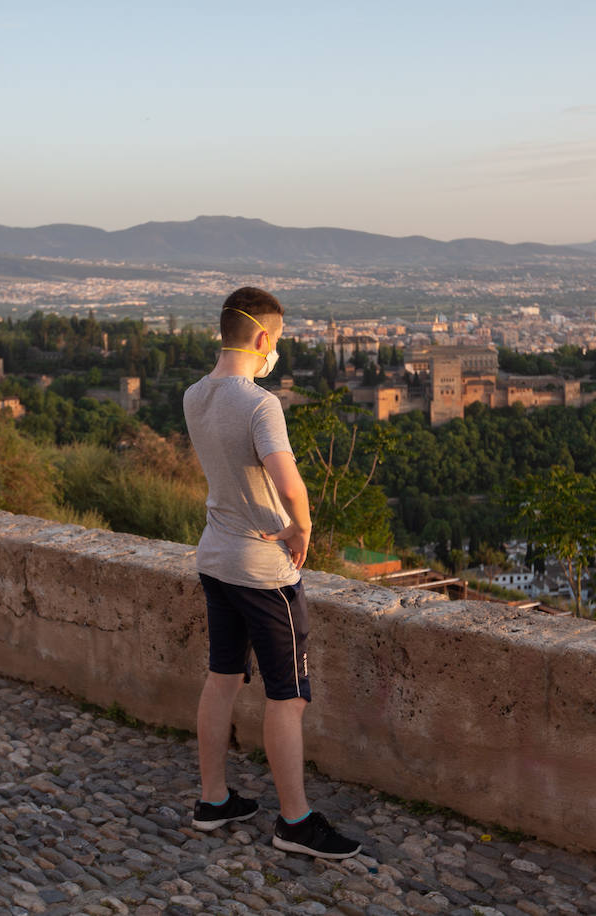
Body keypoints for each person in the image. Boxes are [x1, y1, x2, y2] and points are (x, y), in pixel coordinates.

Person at [182, 286, 361, 860]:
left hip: (215, 556)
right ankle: (295, 822)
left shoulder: (194, 396)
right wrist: (301, 529)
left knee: (222, 679)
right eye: (277, 340)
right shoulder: (261, 405)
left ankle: (213, 800)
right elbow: (290, 485)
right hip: (263, 571)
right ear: (263, 339)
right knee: (288, 696)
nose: (275, 350)